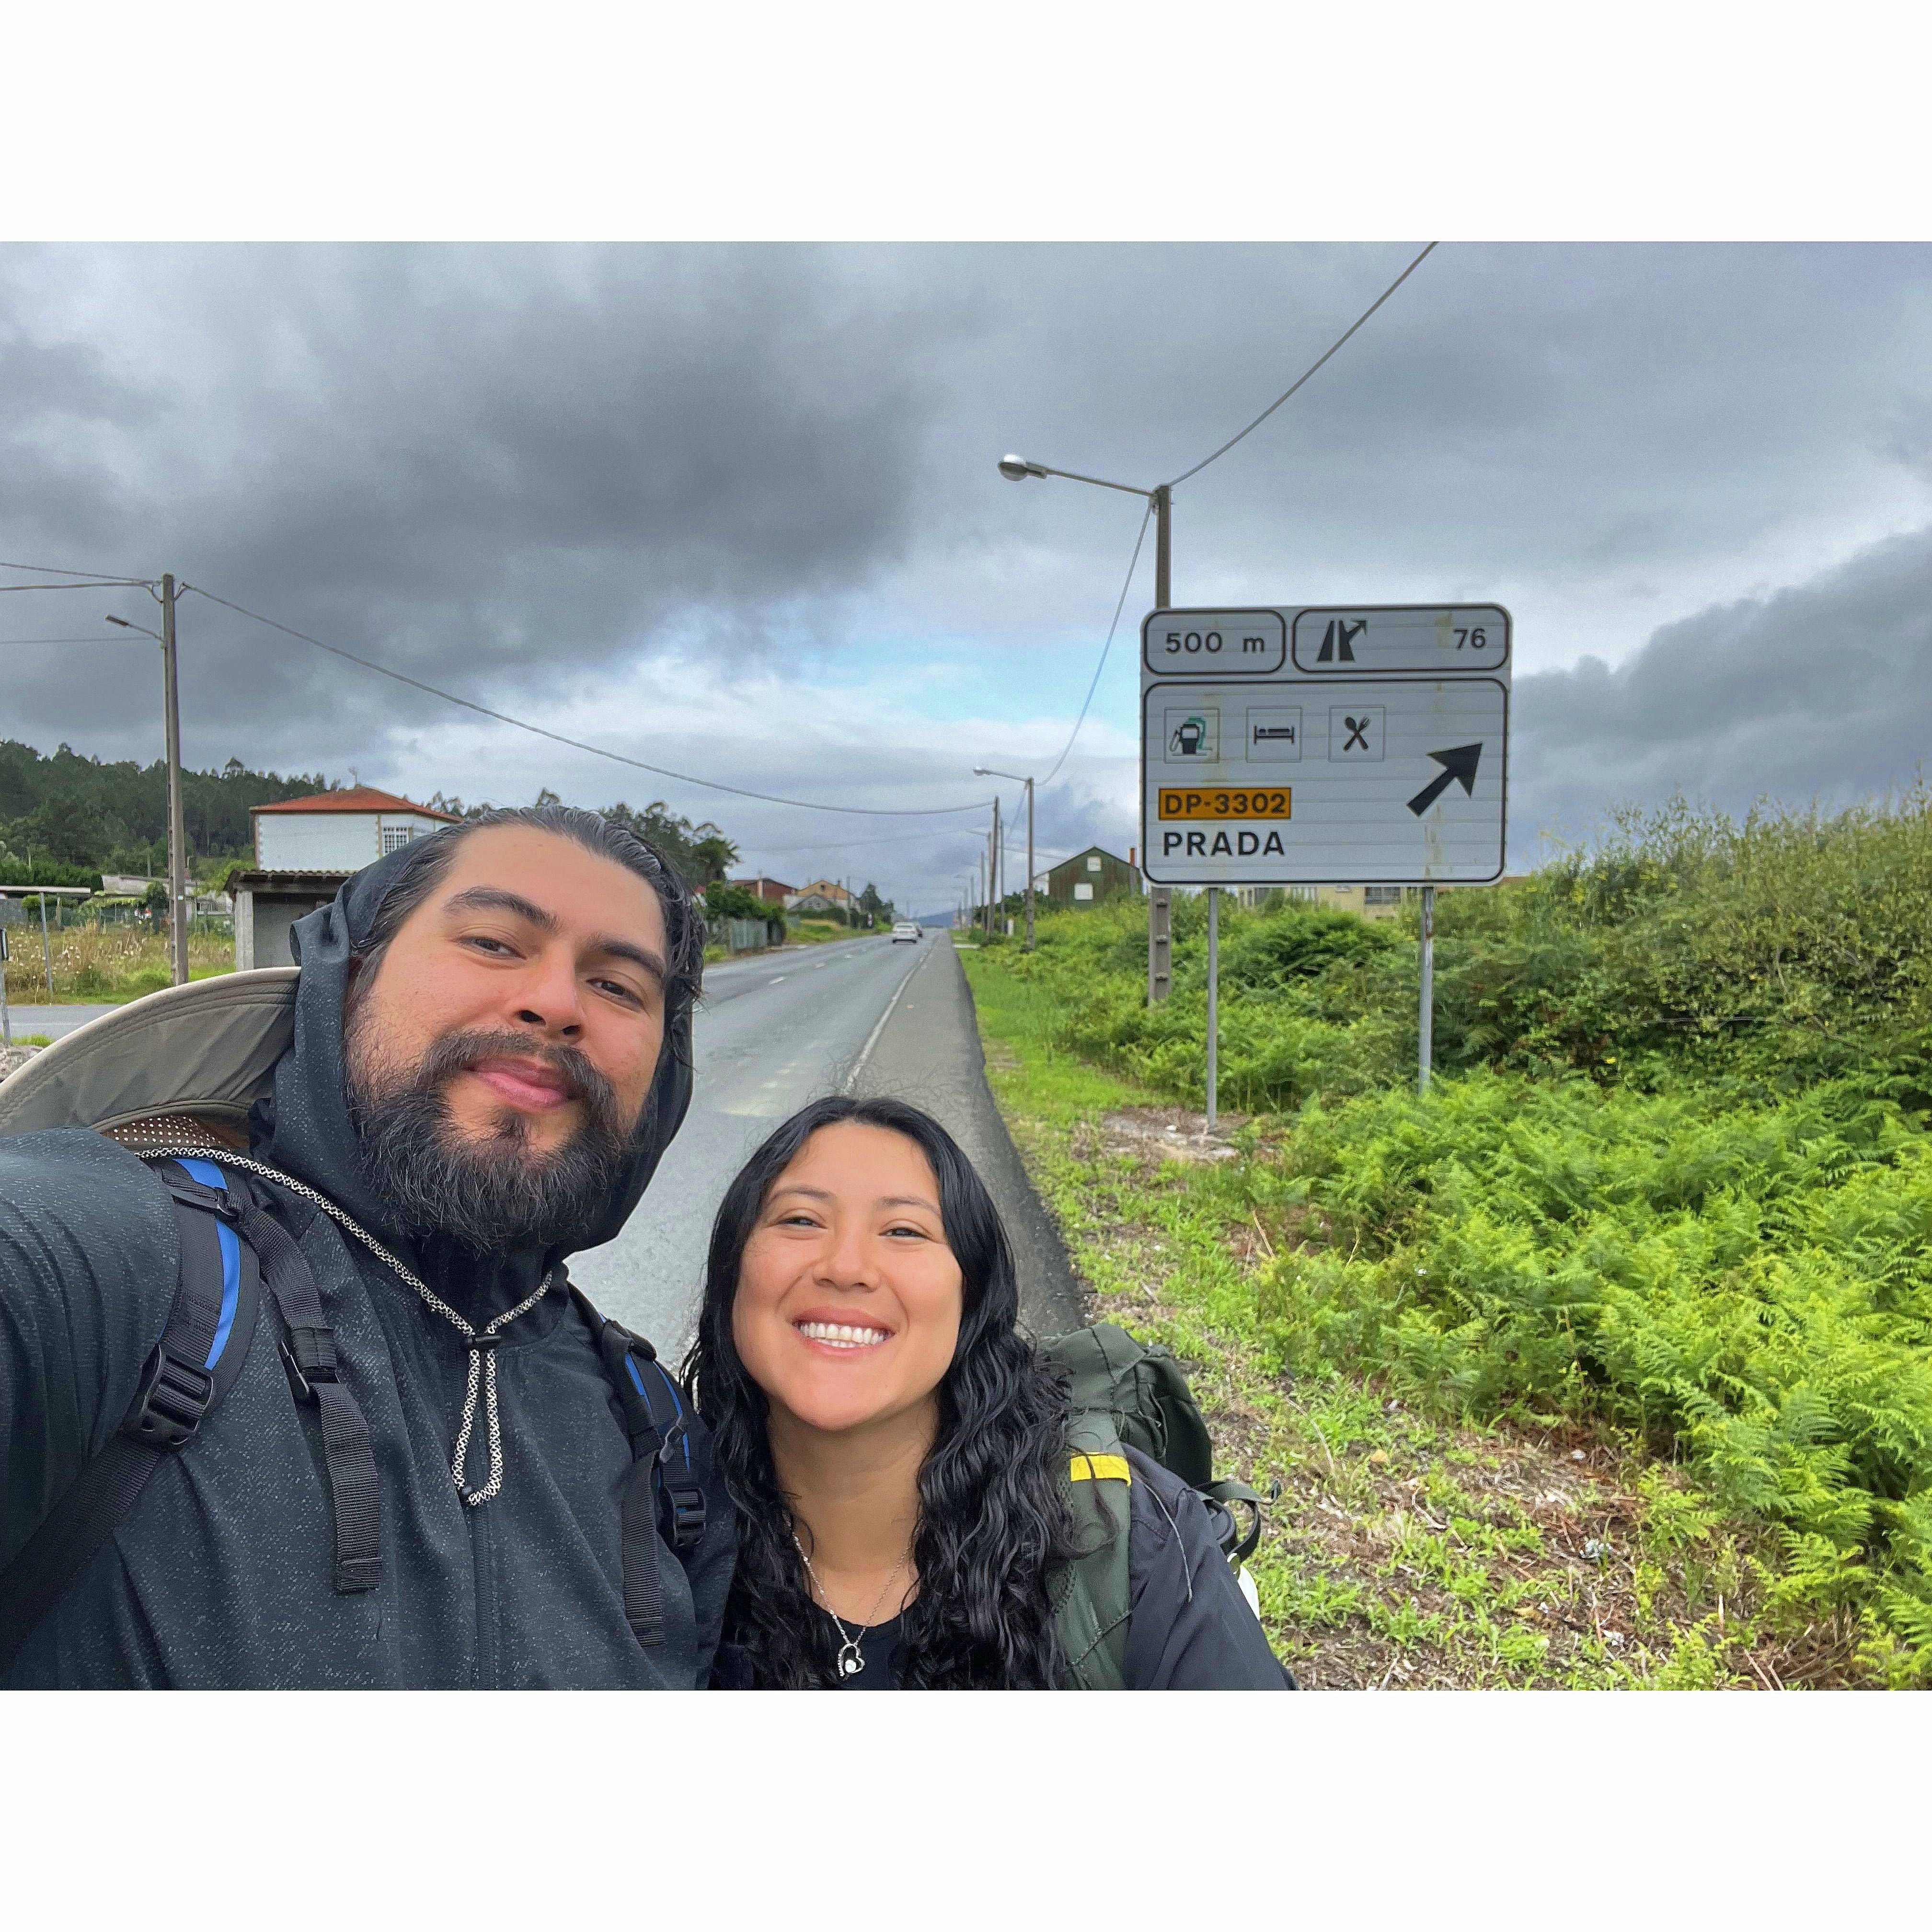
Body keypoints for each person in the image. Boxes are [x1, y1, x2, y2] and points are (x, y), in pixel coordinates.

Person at [0, 804, 734, 1688]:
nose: (556, 1001)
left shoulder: (656, 1432)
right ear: (351, 978)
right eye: (494, 943)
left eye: (619, 986)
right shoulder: (131, 1263)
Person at [687, 1093, 1291, 1689]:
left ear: (971, 1299)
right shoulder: (651, 1520)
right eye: (800, 1220)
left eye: (903, 1230)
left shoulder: (1131, 1540)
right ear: (732, 1271)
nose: (846, 1266)